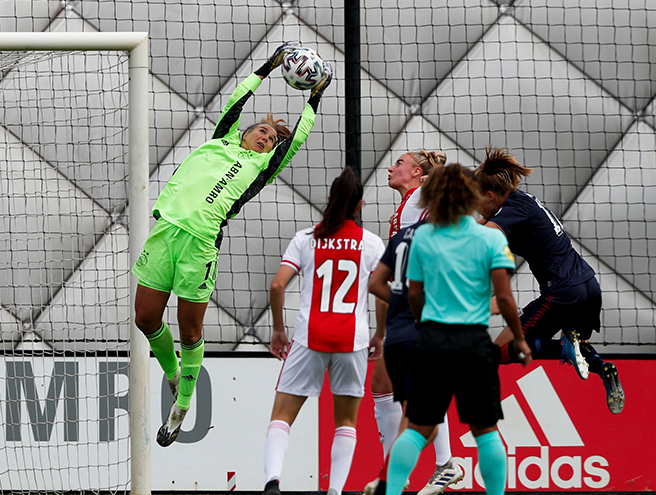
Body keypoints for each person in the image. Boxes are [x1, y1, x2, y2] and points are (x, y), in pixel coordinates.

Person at [132, 41, 334, 447]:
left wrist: (316, 97)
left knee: (191, 331)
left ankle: (181, 407)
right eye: (261, 131)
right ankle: (173, 373)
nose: (265, 138)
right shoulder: (220, 139)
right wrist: (267, 65)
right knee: (145, 319)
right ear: (244, 130)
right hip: (164, 232)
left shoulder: (262, 168)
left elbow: (296, 139)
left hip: (200, 246)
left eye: (270, 140)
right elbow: (239, 98)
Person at [386, 163, 532, 495]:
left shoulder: (422, 237)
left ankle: (392, 492)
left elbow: (413, 293)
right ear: (473, 196)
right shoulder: (490, 238)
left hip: (432, 341)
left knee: (416, 430)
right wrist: (519, 339)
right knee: (486, 431)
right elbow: (506, 298)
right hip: (474, 343)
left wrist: (425, 324)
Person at [261, 167, 384, 495]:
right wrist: (380, 334)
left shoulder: (306, 239)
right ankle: (335, 493)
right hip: (352, 341)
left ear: (329, 200)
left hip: (308, 338)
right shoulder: (371, 244)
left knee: (282, 416)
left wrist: (278, 330)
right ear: (358, 207)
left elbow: (276, 285)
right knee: (345, 422)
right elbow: (382, 292)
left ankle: (272, 481)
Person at [474, 147, 624, 414]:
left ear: (490, 196)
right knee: (573, 341)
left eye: (475, 201)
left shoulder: (513, 208)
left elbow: (481, 236)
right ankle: (602, 367)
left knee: (501, 352)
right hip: (588, 287)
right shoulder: (525, 202)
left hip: (562, 292)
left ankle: (567, 350)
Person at [368, 150, 460, 495]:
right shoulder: (408, 205)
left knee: (422, 388)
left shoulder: (421, 194)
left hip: (421, 305)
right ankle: (399, 470)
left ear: (419, 173)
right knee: (381, 384)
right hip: (403, 305)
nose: (391, 167)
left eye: (400, 163)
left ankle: (439, 465)